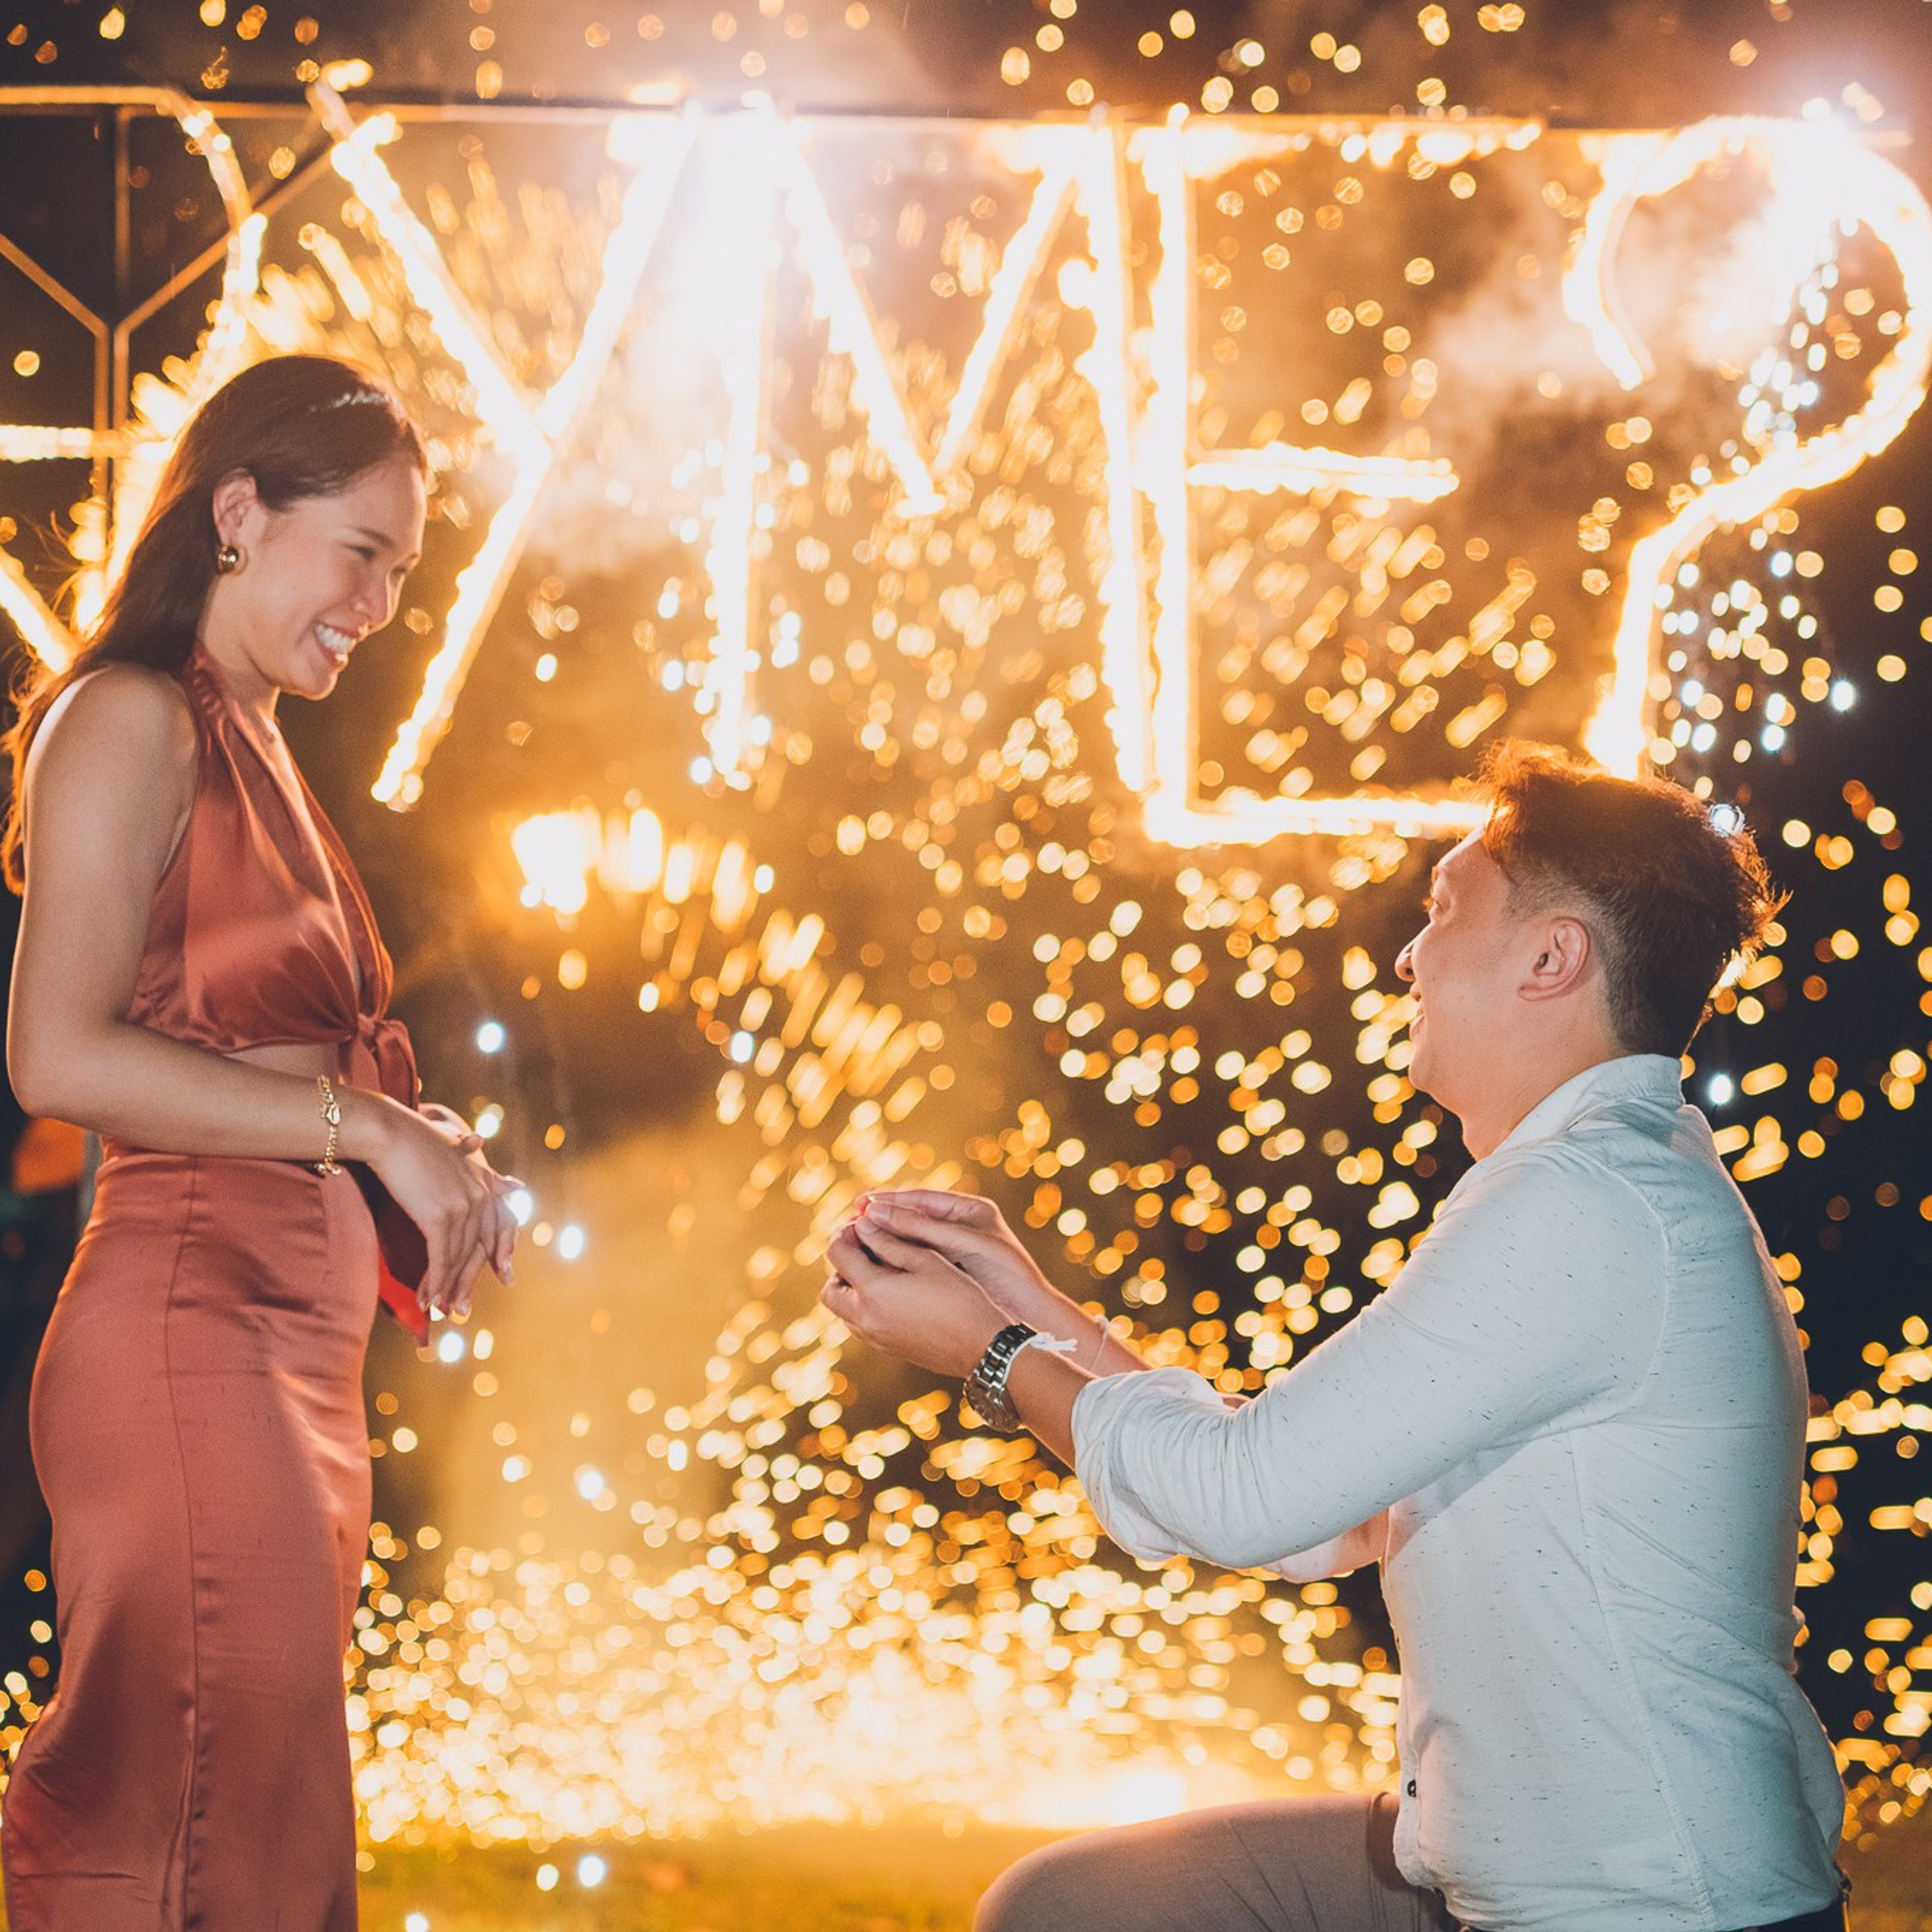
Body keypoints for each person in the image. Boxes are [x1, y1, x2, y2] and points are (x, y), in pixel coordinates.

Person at [825, 744, 1849, 1932]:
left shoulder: (1586, 1203)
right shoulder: (1598, 1182)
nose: (1409, 956)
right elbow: (1307, 1495)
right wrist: (1032, 1313)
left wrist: (993, 1361)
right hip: (1489, 1878)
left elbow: (1241, 1493)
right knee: (1074, 1906)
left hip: (1653, 1907)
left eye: (1444, 910)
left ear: (1552, 957)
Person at [0, 354, 520, 1931]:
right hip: (187, 1332)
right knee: (197, 1818)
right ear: (239, 509)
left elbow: (252, 1038)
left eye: (405, 571)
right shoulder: (127, 715)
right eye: (362, 551)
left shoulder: (257, 737)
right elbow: (55, 1052)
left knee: (262, 1814)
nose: (381, 604)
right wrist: (364, 1121)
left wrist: (426, 1146)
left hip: (289, 1352)